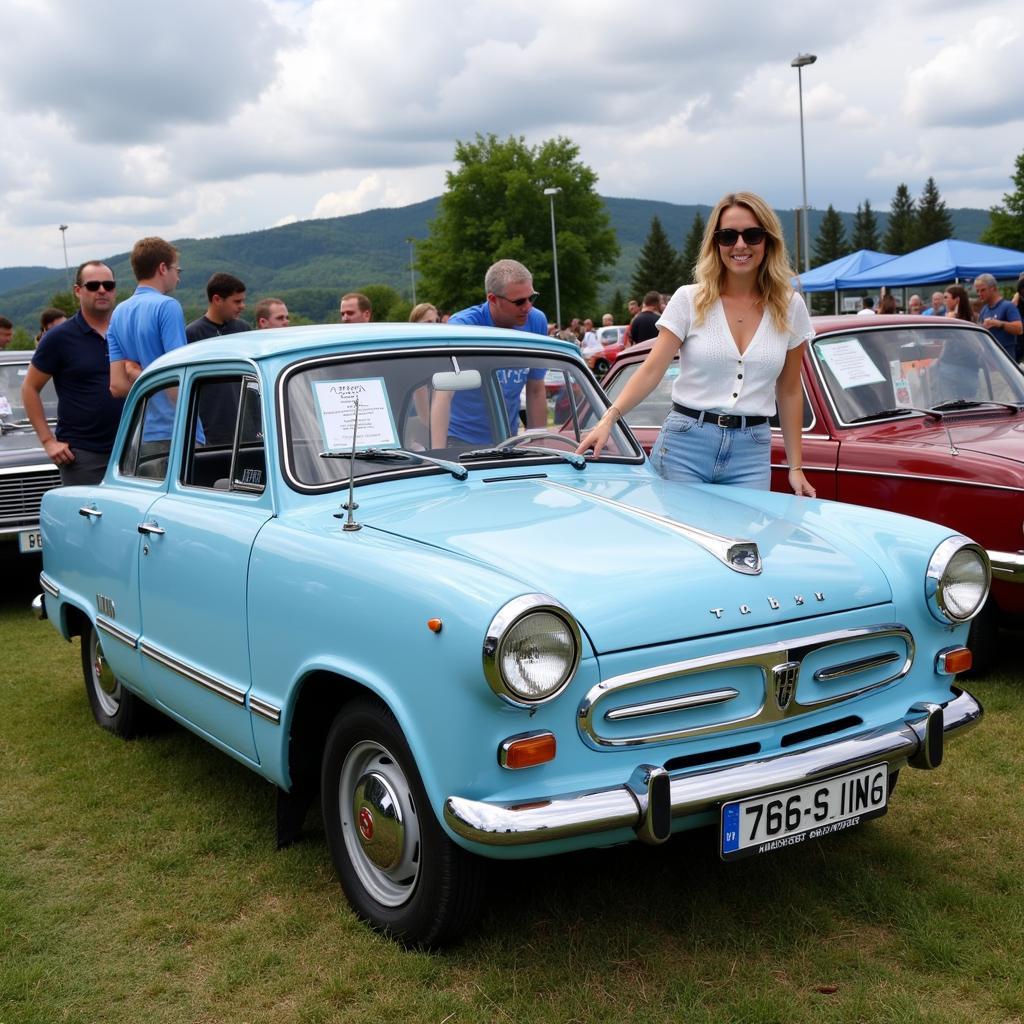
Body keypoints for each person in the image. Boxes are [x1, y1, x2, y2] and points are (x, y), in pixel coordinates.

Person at [576, 191, 815, 497]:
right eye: (728, 236)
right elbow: (652, 369)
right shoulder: (689, 299)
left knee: (741, 544)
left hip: (751, 451)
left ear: (767, 241)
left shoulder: (790, 306)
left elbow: (790, 390)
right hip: (685, 444)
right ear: (716, 244)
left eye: (752, 235)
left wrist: (796, 468)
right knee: (682, 543)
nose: (740, 245)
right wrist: (609, 418)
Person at [21, 261, 123, 484]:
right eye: (93, 285)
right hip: (84, 456)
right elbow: (29, 387)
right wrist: (48, 441)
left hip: (133, 452)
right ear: (78, 291)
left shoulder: (126, 330)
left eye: (108, 284)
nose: (102, 290)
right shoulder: (59, 338)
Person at [429, 259, 548, 446]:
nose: (528, 307)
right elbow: (443, 395)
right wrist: (438, 454)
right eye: (519, 302)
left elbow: (535, 389)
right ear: (492, 299)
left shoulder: (536, 321)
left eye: (531, 297)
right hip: (460, 440)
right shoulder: (463, 327)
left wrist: (539, 445)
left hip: (508, 439)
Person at [108, 236, 186, 399]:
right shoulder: (168, 306)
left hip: (141, 422)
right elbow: (178, 378)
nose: (178, 277)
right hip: (173, 421)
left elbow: (117, 386)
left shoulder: (117, 313)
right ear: (163, 268)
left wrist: (137, 374)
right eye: (176, 270)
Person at [186, 273, 251, 341]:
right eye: (237, 301)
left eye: (243, 301)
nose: (242, 306)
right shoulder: (193, 333)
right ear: (217, 300)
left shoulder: (243, 329)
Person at [974, 273, 1022, 360]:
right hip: (989, 360)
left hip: (1005, 360)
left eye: (983, 290)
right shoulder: (984, 309)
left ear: (993, 288)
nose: (979, 294)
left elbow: (1019, 329)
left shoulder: (1008, 306)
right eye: (977, 291)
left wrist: (999, 324)